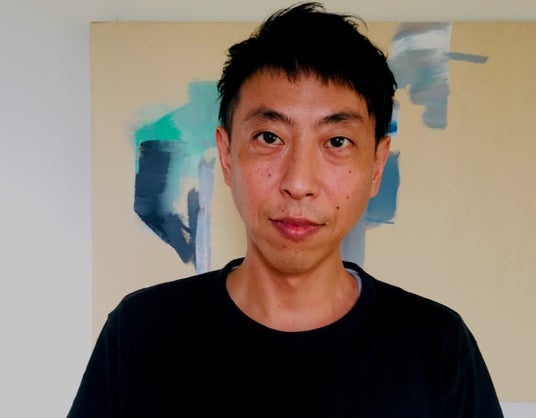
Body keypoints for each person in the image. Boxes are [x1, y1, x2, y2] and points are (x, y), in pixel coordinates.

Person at [67, 2, 503, 417]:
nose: (298, 182)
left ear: (376, 166)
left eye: (337, 142)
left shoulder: (437, 347)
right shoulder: (140, 333)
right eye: (269, 138)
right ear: (226, 155)